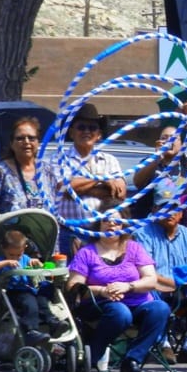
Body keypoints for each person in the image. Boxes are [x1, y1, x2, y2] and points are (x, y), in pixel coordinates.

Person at [64, 199, 170, 372]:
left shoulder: (135, 248)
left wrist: (127, 286)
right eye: (106, 220)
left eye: (117, 221)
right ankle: (92, 357)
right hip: (100, 304)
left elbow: (151, 280)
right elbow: (73, 285)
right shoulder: (86, 252)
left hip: (137, 302)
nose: (111, 225)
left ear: (124, 225)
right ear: (99, 224)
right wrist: (102, 290)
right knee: (120, 312)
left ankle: (133, 360)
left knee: (160, 308)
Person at [53, 103, 127, 257]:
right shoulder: (58, 159)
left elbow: (119, 193)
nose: (87, 131)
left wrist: (81, 187)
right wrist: (102, 180)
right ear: (72, 132)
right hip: (69, 233)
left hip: (102, 234)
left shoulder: (110, 160)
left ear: (99, 134)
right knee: (70, 277)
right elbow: (65, 189)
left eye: (92, 128)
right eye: (81, 127)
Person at [132, 202, 187, 364]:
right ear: (154, 210)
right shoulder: (142, 234)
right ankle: (163, 344)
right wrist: (170, 284)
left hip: (185, 287)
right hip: (156, 284)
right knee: (150, 291)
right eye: (164, 208)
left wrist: (184, 284)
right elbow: (144, 270)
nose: (170, 213)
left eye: (175, 209)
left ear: (181, 213)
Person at [0, 229, 70, 345]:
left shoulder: (25, 258)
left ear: (24, 248)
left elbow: (39, 267)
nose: (15, 258)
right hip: (13, 292)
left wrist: (37, 263)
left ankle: (52, 322)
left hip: (29, 289)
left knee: (42, 300)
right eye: (11, 255)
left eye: (18, 255)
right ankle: (31, 331)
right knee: (30, 304)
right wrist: (6, 262)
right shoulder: (2, 260)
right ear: (3, 249)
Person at [0, 116, 57, 215]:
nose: (26, 142)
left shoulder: (47, 170)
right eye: (20, 138)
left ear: (38, 142)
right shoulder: (1, 171)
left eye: (31, 138)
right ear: (12, 143)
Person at [131, 124, 187, 218]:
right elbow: (138, 182)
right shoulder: (149, 162)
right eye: (164, 138)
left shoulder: (186, 166)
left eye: (174, 138)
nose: (169, 141)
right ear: (158, 142)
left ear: (181, 144)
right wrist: (157, 158)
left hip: (176, 221)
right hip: (147, 221)